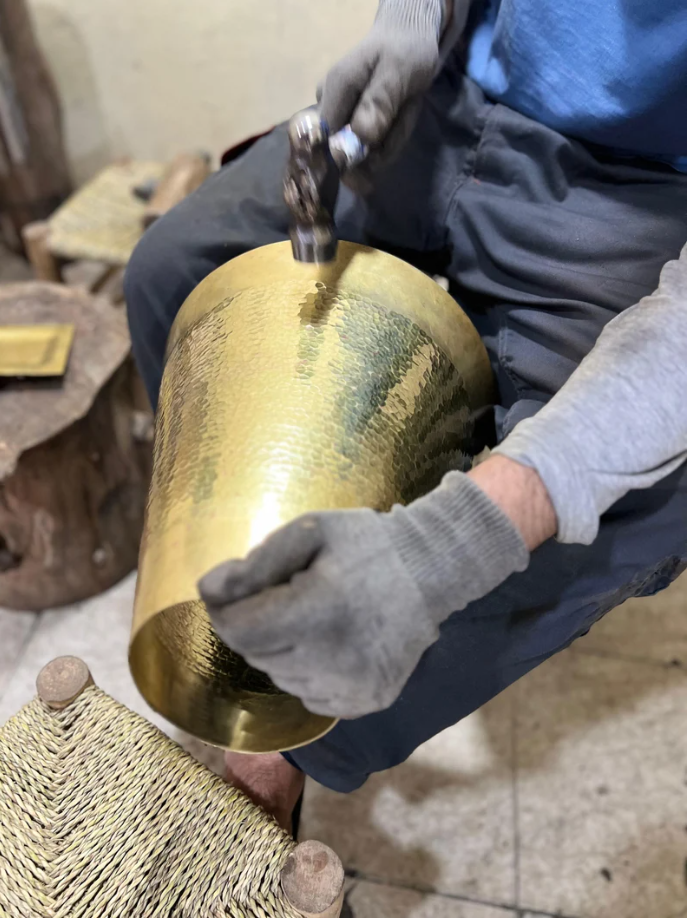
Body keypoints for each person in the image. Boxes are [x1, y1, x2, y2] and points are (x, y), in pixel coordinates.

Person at [125, 0, 687, 830]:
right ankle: (231, 608)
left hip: (639, 185)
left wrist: (452, 544)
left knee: (630, 508)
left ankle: (284, 741)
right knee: (179, 275)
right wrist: (414, 22)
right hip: (444, 95)